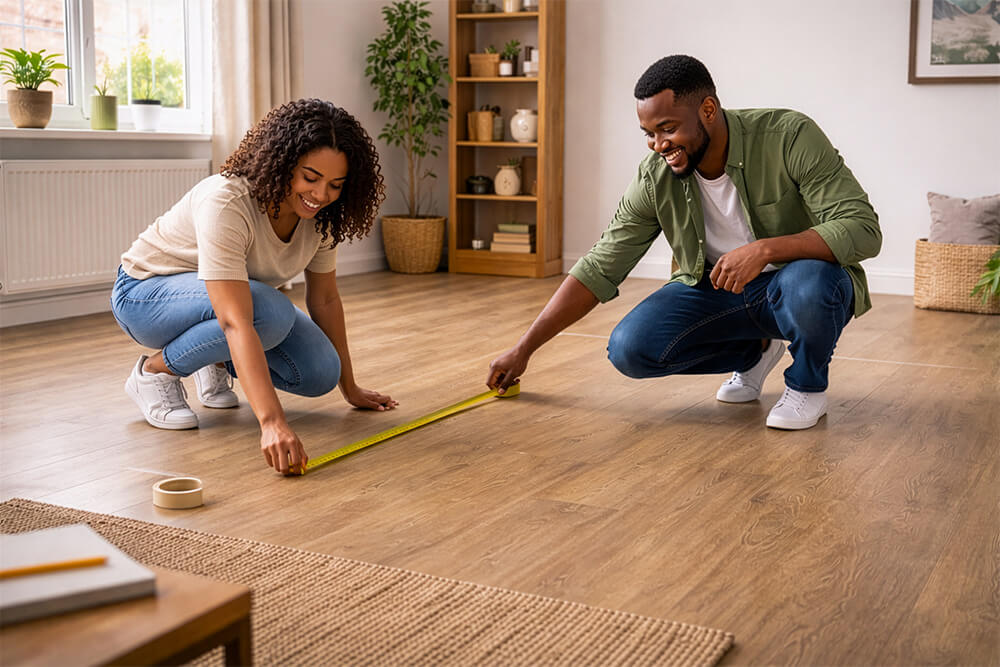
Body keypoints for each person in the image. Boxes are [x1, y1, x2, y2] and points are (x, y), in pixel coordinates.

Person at [487, 55, 881, 430]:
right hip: (718, 292)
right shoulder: (654, 176)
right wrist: (524, 350)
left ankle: (806, 386)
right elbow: (600, 266)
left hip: (795, 285)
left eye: (668, 128)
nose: (659, 144)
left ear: (708, 110)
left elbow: (862, 226)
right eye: (649, 133)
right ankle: (756, 351)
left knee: (810, 283)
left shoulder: (789, 136)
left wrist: (765, 250)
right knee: (629, 348)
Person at [111, 99, 397, 474]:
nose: (321, 195)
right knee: (270, 311)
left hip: (229, 301)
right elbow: (235, 320)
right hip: (144, 295)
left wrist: (350, 386)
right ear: (283, 164)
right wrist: (272, 422)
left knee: (320, 371)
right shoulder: (227, 200)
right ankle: (155, 372)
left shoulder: (322, 219)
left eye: (335, 185)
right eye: (310, 178)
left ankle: (208, 358)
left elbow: (325, 299)